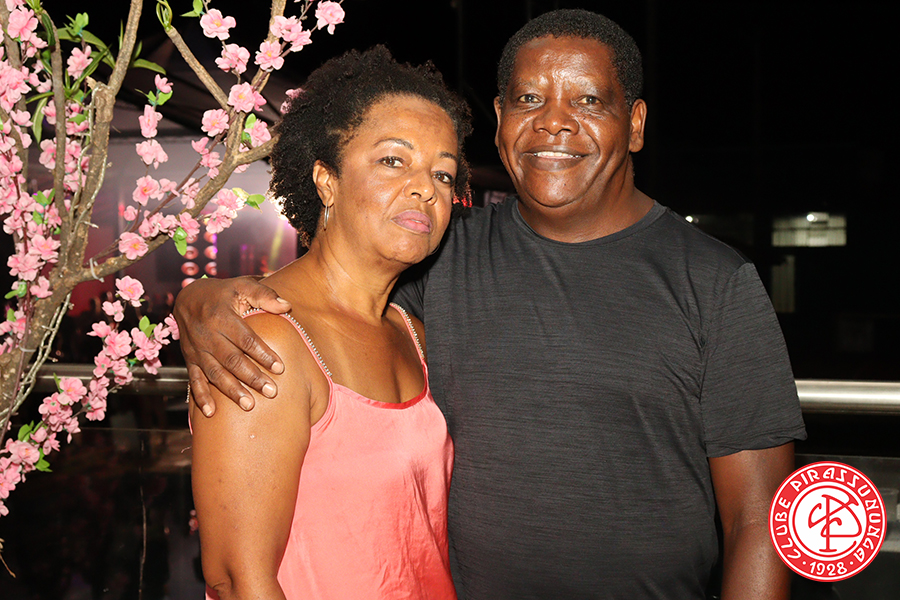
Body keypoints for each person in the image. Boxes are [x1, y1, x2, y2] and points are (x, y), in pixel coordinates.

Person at [176, 10, 806, 600]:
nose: (554, 122)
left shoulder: (715, 282)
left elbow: (760, 519)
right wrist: (200, 300)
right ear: (501, 118)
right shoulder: (440, 256)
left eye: (588, 100)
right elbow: (328, 299)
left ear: (635, 123)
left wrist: (195, 301)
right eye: (529, 99)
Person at [188, 47, 470, 600]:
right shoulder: (267, 337)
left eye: (442, 172)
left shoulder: (411, 334)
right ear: (326, 180)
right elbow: (238, 580)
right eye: (393, 160)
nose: (425, 187)